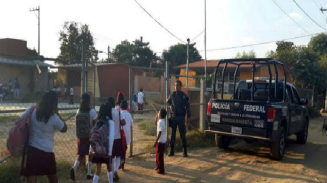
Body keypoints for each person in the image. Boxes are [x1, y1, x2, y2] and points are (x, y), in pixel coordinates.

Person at [19, 91, 67, 183]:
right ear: (54, 104)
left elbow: (20, 118)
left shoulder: (32, 110)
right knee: (52, 177)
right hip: (47, 151)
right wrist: (57, 113)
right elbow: (64, 128)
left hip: (32, 149)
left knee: (31, 175)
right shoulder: (53, 117)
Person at [70, 93, 98, 181]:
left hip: (81, 135)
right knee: (90, 154)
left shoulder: (79, 110)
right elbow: (95, 124)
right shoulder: (91, 111)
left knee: (82, 154)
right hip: (90, 135)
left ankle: (74, 168)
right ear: (89, 100)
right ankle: (89, 173)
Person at [91, 103, 115, 183]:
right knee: (109, 167)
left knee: (98, 169)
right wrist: (109, 153)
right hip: (106, 150)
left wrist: (91, 149)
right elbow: (111, 138)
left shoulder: (98, 122)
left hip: (97, 149)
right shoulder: (111, 122)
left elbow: (94, 136)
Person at [167, 80, 191, 157]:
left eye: (177, 85)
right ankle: (171, 151)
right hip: (174, 117)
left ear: (181, 86)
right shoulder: (172, 95)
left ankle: (185, 151)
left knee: (182, 134)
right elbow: (167, 103)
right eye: (175, 85)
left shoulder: (184, 96)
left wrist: (188, 117)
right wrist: (169, 106)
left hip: (181, 117)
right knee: (172, 134)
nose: (176, 87)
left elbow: (188, 107)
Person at [107, 97, 125, 181]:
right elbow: (123, 122)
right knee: (118, 154)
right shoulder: (118, 112)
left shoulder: (106, 112)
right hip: (117, 136)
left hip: (109, 137)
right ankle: (116, 171)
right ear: (114, 104)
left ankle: (111, 172)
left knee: (111, 156)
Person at [119, 100, 133, 170]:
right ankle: (123, 160)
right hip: (127, 134)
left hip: (121, 134)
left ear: (120, 107)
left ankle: (121, 161)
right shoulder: (129, 114)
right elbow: (131, 124)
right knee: (124, 148)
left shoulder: (120, 114)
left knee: (120, 148)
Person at [154, 108, 167, 174]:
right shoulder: (160, 121)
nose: (158, 113)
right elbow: (155, 124)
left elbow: (160, 132)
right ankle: (157, 166)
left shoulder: (161, 122)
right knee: (157, 153)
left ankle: (161, 170)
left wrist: (156, 141)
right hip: (160, 141)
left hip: (161, 141)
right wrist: (156, 118)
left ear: (160, 115)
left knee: (160, 155)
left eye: (158, 113)